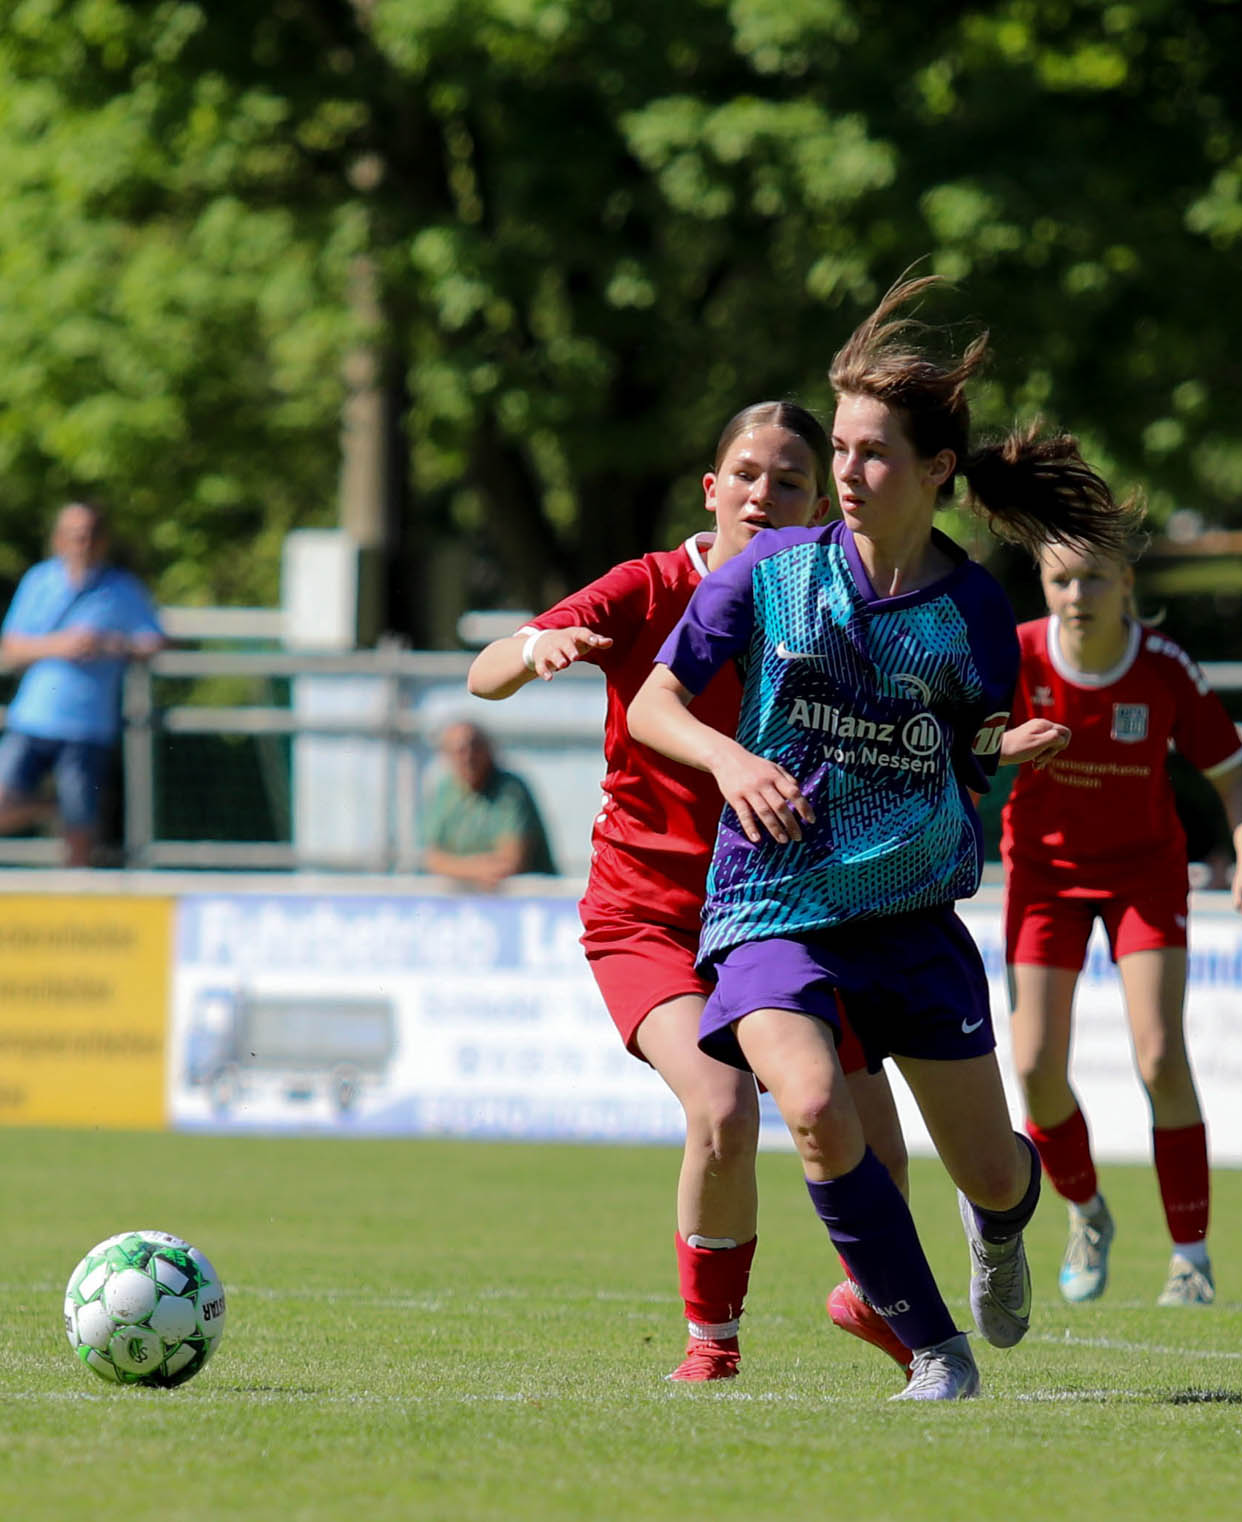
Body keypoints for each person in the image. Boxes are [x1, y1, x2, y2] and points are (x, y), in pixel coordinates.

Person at [628, 274, 1132, 1401]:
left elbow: (954, 754)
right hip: (771, 903)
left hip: (908, 917)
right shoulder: (768, 574)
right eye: (842, 450)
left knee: (992, 1172)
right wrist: (732, 761)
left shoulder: (975, 615)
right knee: (811, 1109)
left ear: (938, 469)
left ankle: (1000, 1225)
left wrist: (994, 750)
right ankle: (938, 1354)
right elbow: (657, 706)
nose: (847, 474)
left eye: (873, 455)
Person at [464, 401, 914, 1383]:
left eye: (788, 481)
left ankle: (874, 1296)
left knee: (871, 1134)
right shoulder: (651, 586)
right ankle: (713, 1342)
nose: (763, 494)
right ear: (711, 490)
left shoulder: (837, 604)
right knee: (721, 1105)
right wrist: (534, 652)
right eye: (746, 474)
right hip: (649, 912)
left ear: (819, 506)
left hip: (786, 908)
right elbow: (483, 671)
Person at [1001, 537, 1242, 1308]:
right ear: (1044, 586)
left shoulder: (1163, 667)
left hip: (1143, 876)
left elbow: (1236, 782)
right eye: (1061, 579)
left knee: (1159, 1056)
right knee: (1034, 1067)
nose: (1077, 594)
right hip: (1044, 876)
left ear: (1125, 582)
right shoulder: (1016, 654)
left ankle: (1191, 1257)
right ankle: (1086, 1212)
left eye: (1094, 578)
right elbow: (966, 748)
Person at [0, 500, 166, 867]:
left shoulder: (122, 589)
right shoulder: (39, 581)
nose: (82, 543)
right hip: (33, 719)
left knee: (80, 839)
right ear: (58, 539)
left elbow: (155, 642)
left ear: (103, 540)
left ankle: (78, 897)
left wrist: (109, 645)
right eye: (75, 535)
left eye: (90, 535)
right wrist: (59, 645)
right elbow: (8, 651)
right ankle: (53, 807)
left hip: (88, 727)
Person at [419, 720, 556, 888]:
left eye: (475, 747)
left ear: (489, 750)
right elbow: (432, 858)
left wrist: (455, 866)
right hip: (468, 899)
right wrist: (475, 869)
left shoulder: (510, 790)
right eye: (460, 751)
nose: (468, 757)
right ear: (447, 756)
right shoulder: (445, 791)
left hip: (529, 898)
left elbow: (510, 862)